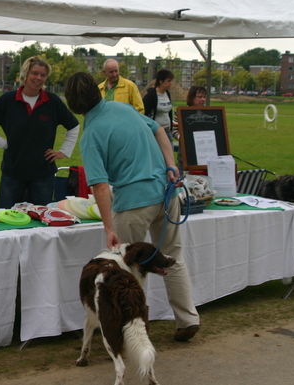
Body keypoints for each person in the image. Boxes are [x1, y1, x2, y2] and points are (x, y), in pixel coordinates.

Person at [64, 71, 200, 341]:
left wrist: (108, 228)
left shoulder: (91, 135)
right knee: (174, 257)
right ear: (97, 89)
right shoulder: (122, 108)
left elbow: (100, 186)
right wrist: (171, 165)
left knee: (125, 272)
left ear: (72, 103)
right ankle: (187, 319)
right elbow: (160, 130)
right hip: (166, 192)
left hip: (134, 202)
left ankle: (132, 330)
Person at [0, 55, 79, 208]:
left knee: (41, 218)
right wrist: (4, 144)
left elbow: (74, 125)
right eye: (35, 73)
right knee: (6, 216)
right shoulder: (8, 100)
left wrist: (63, 151)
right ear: (25, 74)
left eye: (43, 75)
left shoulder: (52, 102)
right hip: (13, 172)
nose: (38, 78)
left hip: (43, 174)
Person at [172, 85, 207, 173]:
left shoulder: (208, 113)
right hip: (185, 155)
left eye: (204, 97)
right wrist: (184, 139)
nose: (203, 99)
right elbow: (174, 129)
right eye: (199, 97)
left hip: (204, 154)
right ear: (192, 98)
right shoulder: (182, 113)